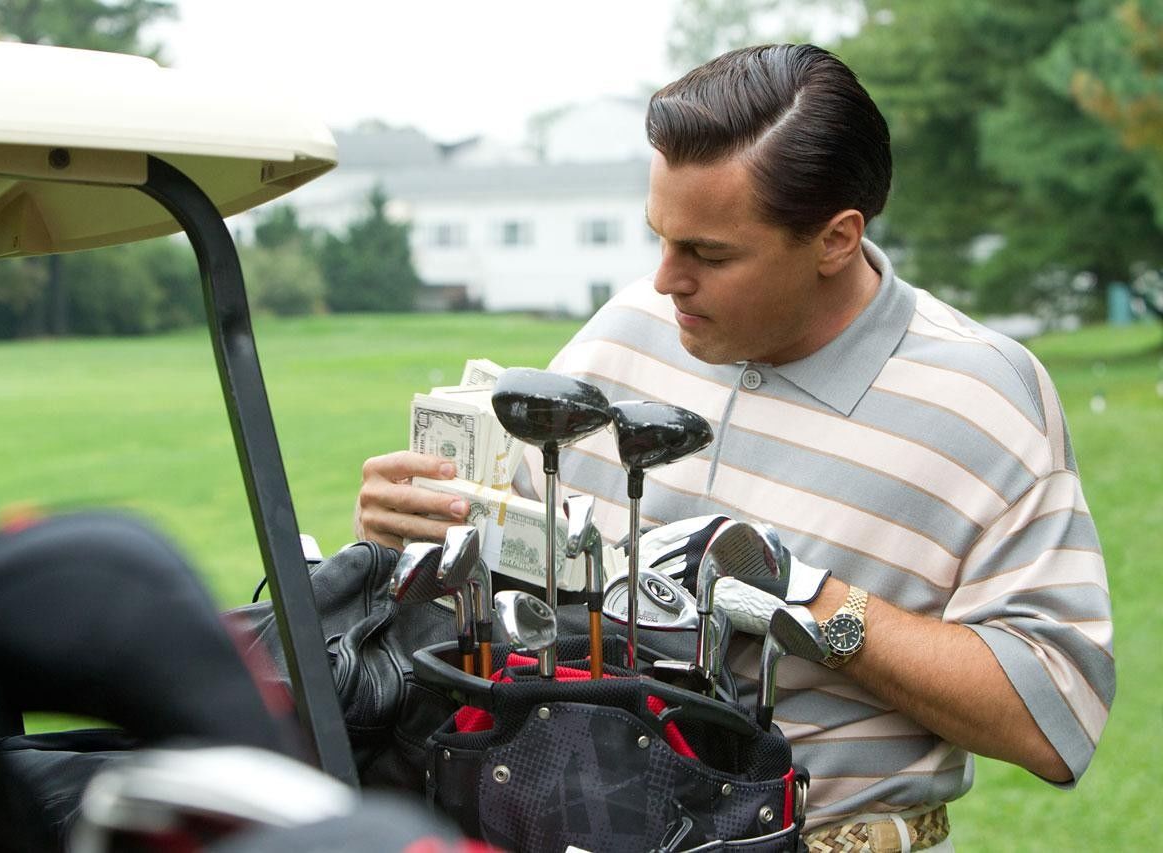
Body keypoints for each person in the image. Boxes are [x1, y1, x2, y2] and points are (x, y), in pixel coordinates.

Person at [355, 44, 1114, 850]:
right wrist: (403, 539)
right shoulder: (626, 331)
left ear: (836, 239)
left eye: (709, 254)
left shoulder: (985, 397)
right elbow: (507, 593)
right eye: (660, 237)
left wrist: (810, 600)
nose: (664, 280)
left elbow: (1054, 715)